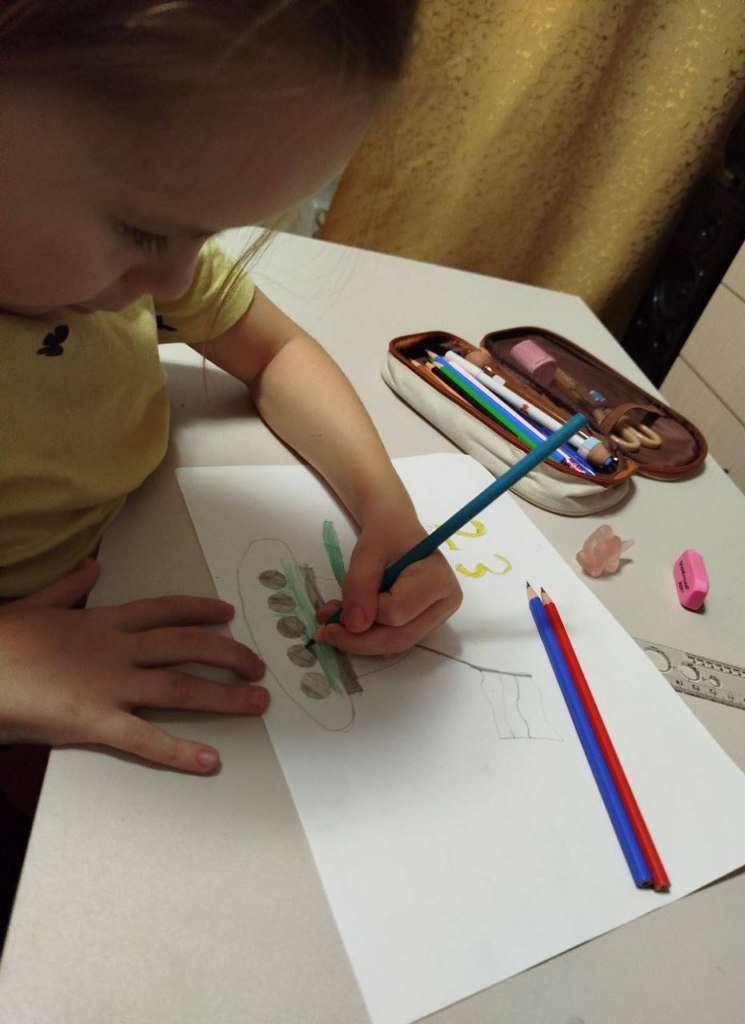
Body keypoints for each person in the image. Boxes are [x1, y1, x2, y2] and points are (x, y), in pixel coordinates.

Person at [0, 0, 463, 780]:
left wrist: (386, 507)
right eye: (144, 231)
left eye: (208, 234)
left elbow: (275, 351)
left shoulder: (130, 255)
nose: (177, 282)